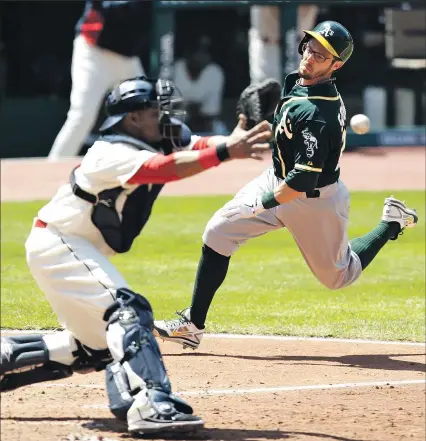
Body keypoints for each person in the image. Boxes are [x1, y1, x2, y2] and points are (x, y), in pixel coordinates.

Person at [0, 76, 272, 435]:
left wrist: (234, 139)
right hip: (59, 243)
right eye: (155, 111)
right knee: (129, 312)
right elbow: (161, 170)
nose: (165, 116)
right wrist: (226, 152)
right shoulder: (109, 153)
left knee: (94, 347)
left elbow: (196, 144)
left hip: (72, 247)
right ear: (132, 119)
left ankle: (7, 357)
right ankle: (151, 405)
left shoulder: (151, 140)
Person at [153, 21, 419, 350]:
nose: (310, 56)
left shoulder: (318, 114)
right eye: (309, 46)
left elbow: (302, 179)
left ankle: (391, 222)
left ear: (336, 65)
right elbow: (287, 132)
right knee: (218, 232)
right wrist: (259, 123)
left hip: (314, 200)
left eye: (321, 55)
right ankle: (193, 324)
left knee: (338, 277)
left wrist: (261, 204)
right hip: (277, 179)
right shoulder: (299, 81)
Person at [47, 0, 150, 161]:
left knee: (147, 112)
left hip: (128, 59)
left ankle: (159, 168)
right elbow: (106, 7)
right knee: (82, 116)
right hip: (94, 52)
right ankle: (52, 168)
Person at [174, 35, 226, 134]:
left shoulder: (214, 72)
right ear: (188, 53)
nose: (202, 56)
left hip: (206, 127)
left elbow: (209, 114)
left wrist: (188, 107)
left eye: (205, 52)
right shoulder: (176, 69)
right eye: (198, 52)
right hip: (176, 127)